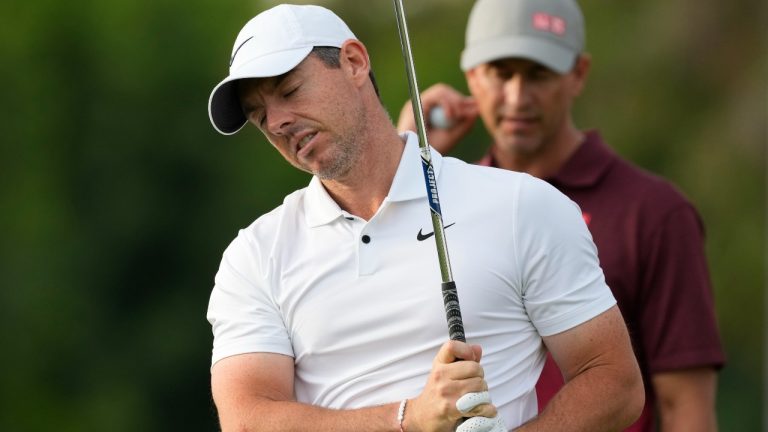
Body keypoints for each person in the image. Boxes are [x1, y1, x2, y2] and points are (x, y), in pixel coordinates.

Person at [206, 4, 644, 431]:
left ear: (355, 63)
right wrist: (408, 418)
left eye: (289, 91)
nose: (278, 122)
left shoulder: (522, 207)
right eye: (259, 116)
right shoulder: (254, 256)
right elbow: (248, 420)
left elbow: (613, 382)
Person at [397, 0, 726, 430]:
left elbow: (686, 407)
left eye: (539, 74)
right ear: (472, 77)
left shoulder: (654, 212)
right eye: (500, 73)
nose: (517, 97)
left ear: (578, 75)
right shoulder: (443, 207)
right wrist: (413, 159)